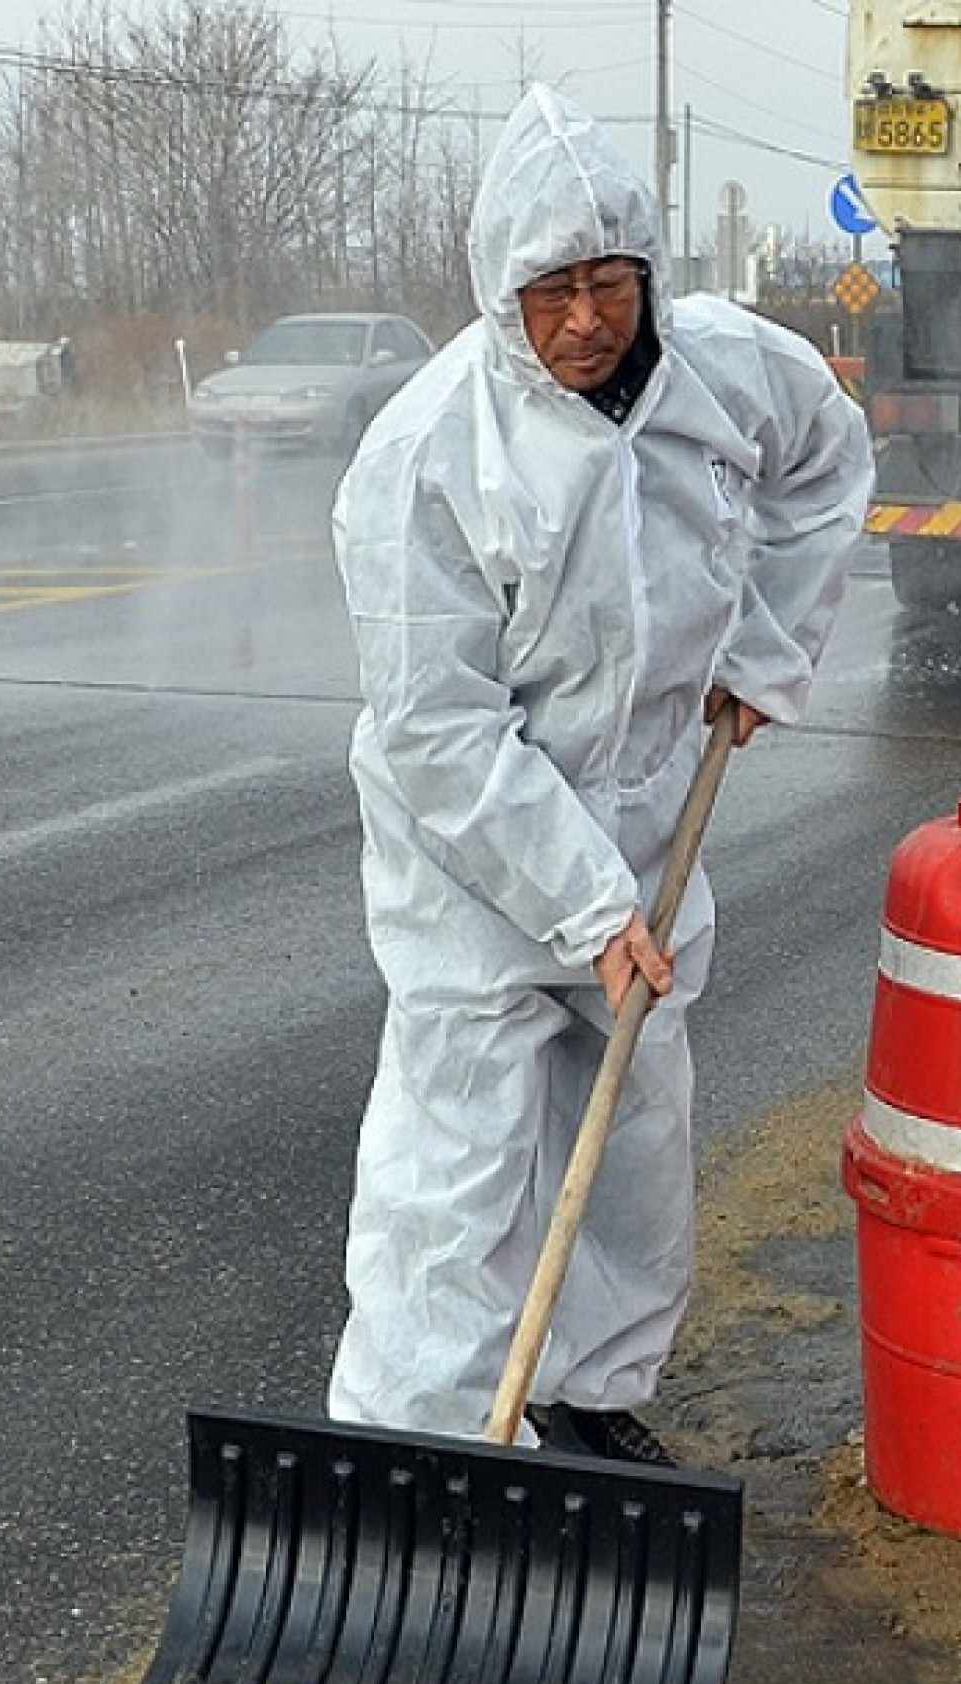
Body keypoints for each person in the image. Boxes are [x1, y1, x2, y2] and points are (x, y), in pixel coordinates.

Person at [326, 84, 873, 1464]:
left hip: (646, 821)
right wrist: (579, 906)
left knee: (628, 1142)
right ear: (499, 293)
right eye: (550, 292)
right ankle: (421, 1448)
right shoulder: (425, 456)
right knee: (454, 1170)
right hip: (479, 861)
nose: (584, 320)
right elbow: (436, 729)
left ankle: (588, 1400)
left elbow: (825, 464)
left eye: (609, 284)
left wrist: (762, 647)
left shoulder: (729, 369)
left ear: (647, 275)